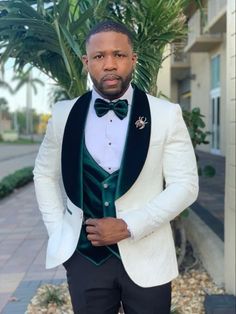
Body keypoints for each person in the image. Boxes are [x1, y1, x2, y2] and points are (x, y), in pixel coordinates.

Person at [33, 20, 199, 314]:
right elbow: (44, 175)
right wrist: (59, 232)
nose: (109, 65)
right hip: (85, 258)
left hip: (148, 255)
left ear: (132, 59)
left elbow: (185, 185)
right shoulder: (62, 115)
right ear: (87, 62)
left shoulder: (165, 115)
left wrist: (128, 226)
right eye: (99, 56)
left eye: (119, 55)